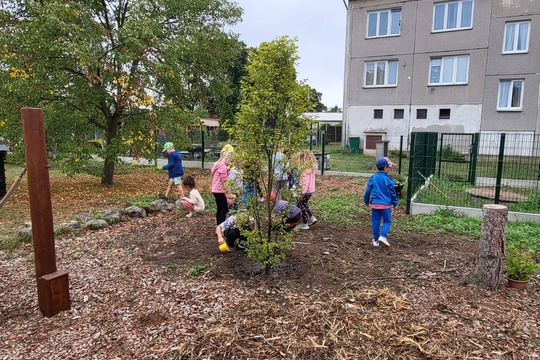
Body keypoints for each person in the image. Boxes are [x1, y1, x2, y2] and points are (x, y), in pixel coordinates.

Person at [363, 157, 399, 247]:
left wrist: (366, 202)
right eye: (390, 167)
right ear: (385, 168)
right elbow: (393, 193)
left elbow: (367, 192)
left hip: (375, 204)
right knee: (387, 221)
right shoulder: (389, 179)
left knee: (375, 222)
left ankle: (375, 241)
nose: (390, 169)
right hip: (386, 205)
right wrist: (395, 203)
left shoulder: (373, 178)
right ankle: (382, 236)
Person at [294, 150, 318, 230]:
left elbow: (305, 183)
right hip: (310, 190)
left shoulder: (305, 170)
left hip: (305, 191)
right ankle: (311, 218)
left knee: (302, 206)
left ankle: (305, 223)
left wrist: (301, 193)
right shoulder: (311, 168)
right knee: (304, 204)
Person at [211, 150, 233, 225]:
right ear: (226, 158)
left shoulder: (219, 164)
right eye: (230, 160)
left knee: (220, 208)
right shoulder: (223, 167)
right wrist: (229, 193)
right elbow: (225, 182)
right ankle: (221, 227)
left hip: (215, 190)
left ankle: (218, 226)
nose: (230, 163)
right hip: (219, 191)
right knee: (225, 209)